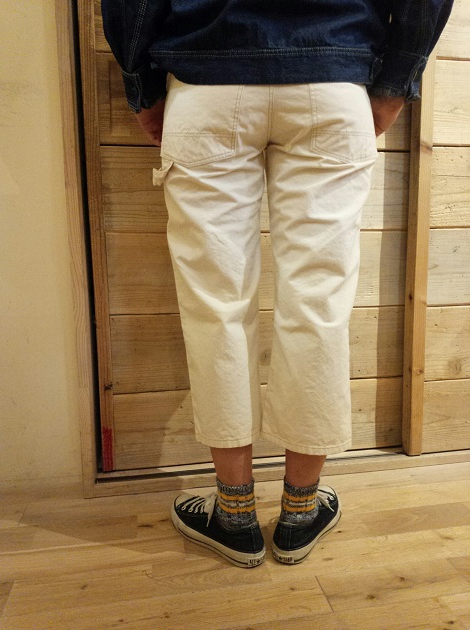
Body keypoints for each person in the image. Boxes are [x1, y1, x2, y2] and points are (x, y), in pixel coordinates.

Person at [102, 0, 453, 568]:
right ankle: (300, 511)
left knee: (215, 304)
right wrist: (396, 81)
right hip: (332, 77)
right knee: (318, 302)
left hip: (206, 80)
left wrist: (140, 83)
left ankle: (234, 514)